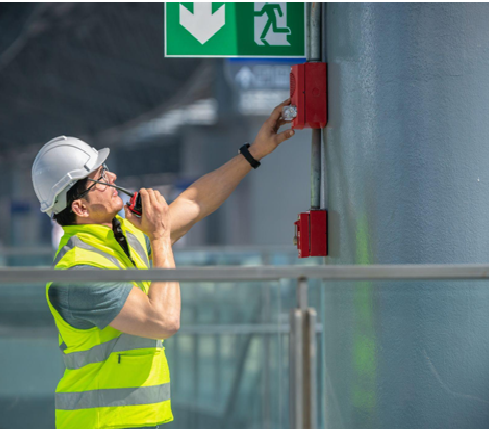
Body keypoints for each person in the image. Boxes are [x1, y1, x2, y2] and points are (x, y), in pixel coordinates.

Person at [31, 100, 295, 429]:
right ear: (80, 208)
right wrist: (159, 236)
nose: (112, 176)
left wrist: (253, 153)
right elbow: (164, 321)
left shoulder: (125, 237)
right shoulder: (79, 274)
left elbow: (195, 201)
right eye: (99, 178)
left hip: (133, 422)